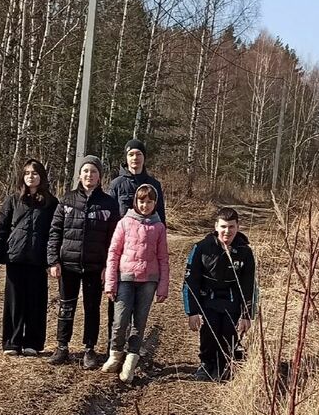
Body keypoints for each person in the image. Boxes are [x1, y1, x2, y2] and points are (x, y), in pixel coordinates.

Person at [47, 155, 120, 369]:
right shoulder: (67, 200)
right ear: (79, 175)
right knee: (66, 306)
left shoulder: (109, 204)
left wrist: (108, 267)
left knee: (92, 308)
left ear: (100, 177)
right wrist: (53, 261)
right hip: (68, 264)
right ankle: (62, 347)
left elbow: (114, 240)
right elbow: (55, 232)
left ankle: (90, 349)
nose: (89, 175)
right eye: (86, 171)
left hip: (94, 266)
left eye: (94, 171)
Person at [0, 159, 59, 356]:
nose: (30, 176)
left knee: (36, 302)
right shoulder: (13, 200)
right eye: (27, 173)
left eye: (34, 173)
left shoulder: (51, 203)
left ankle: (32, 344)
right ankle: (12, 343)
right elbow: (1, 229)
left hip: (38, 260)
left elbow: (55, 233)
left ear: (41, 177)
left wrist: (53, 260)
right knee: (14, 302)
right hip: (15, 258)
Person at [103, 184, 169, 384]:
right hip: (125, 278)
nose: (145, 205)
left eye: (149, 202)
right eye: (141, 201)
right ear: (135, 202)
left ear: (155, 204)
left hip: (148, 281)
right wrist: (110, 283)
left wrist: (163, 286)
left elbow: (163, 258)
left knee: (139, 323)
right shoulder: (124, 223)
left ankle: (131, 360)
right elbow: (113, 253)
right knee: (120, 320)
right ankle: (115, 354)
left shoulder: (159, 227)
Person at [183, 207, 256, 381]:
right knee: (209, 331)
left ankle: (225, 365)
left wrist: (247, 315)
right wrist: (192, 312)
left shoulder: (245, 252)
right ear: (216, 226)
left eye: (231, 227)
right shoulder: (202, 248)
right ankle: (206, 364)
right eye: (223, 226)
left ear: (237, 227)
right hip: (208, 299)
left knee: (228, 332)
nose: (227, 231)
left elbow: (248, 285)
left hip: (232, 300)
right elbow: (191, 281)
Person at [106, 138, 166, 347]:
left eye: (139, 154)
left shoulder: (154, 184)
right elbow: (110, 220)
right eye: (131, 154)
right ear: (126, 157)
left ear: (144, 157)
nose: (135, 158)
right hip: (123, 257)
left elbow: (161, 219)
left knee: (139, 313)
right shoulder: (116, 184)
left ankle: (132, 349)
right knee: (118, 309)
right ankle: (114, 347)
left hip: (146, 262)